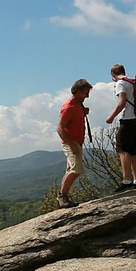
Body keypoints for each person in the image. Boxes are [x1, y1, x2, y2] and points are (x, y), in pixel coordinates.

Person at [106, 64, 136, 191]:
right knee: (132, 151)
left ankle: (126, 180)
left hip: (128, 119)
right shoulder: (132, 82)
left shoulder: (121, 83)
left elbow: (122, 102)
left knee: (122, 150)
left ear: (113, 75)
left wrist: (111, 117)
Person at [57, 78, 92, 208]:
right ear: (77, 91)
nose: (87, 96)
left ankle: (63, 198)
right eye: (85, 93)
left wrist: (83, 112)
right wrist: (71, 145)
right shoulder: (69, 107)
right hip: (71, 142)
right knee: (76, 169)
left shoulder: (78, 105)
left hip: (76, 141)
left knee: (71, 169)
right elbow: (60, 128)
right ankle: (62, 196)